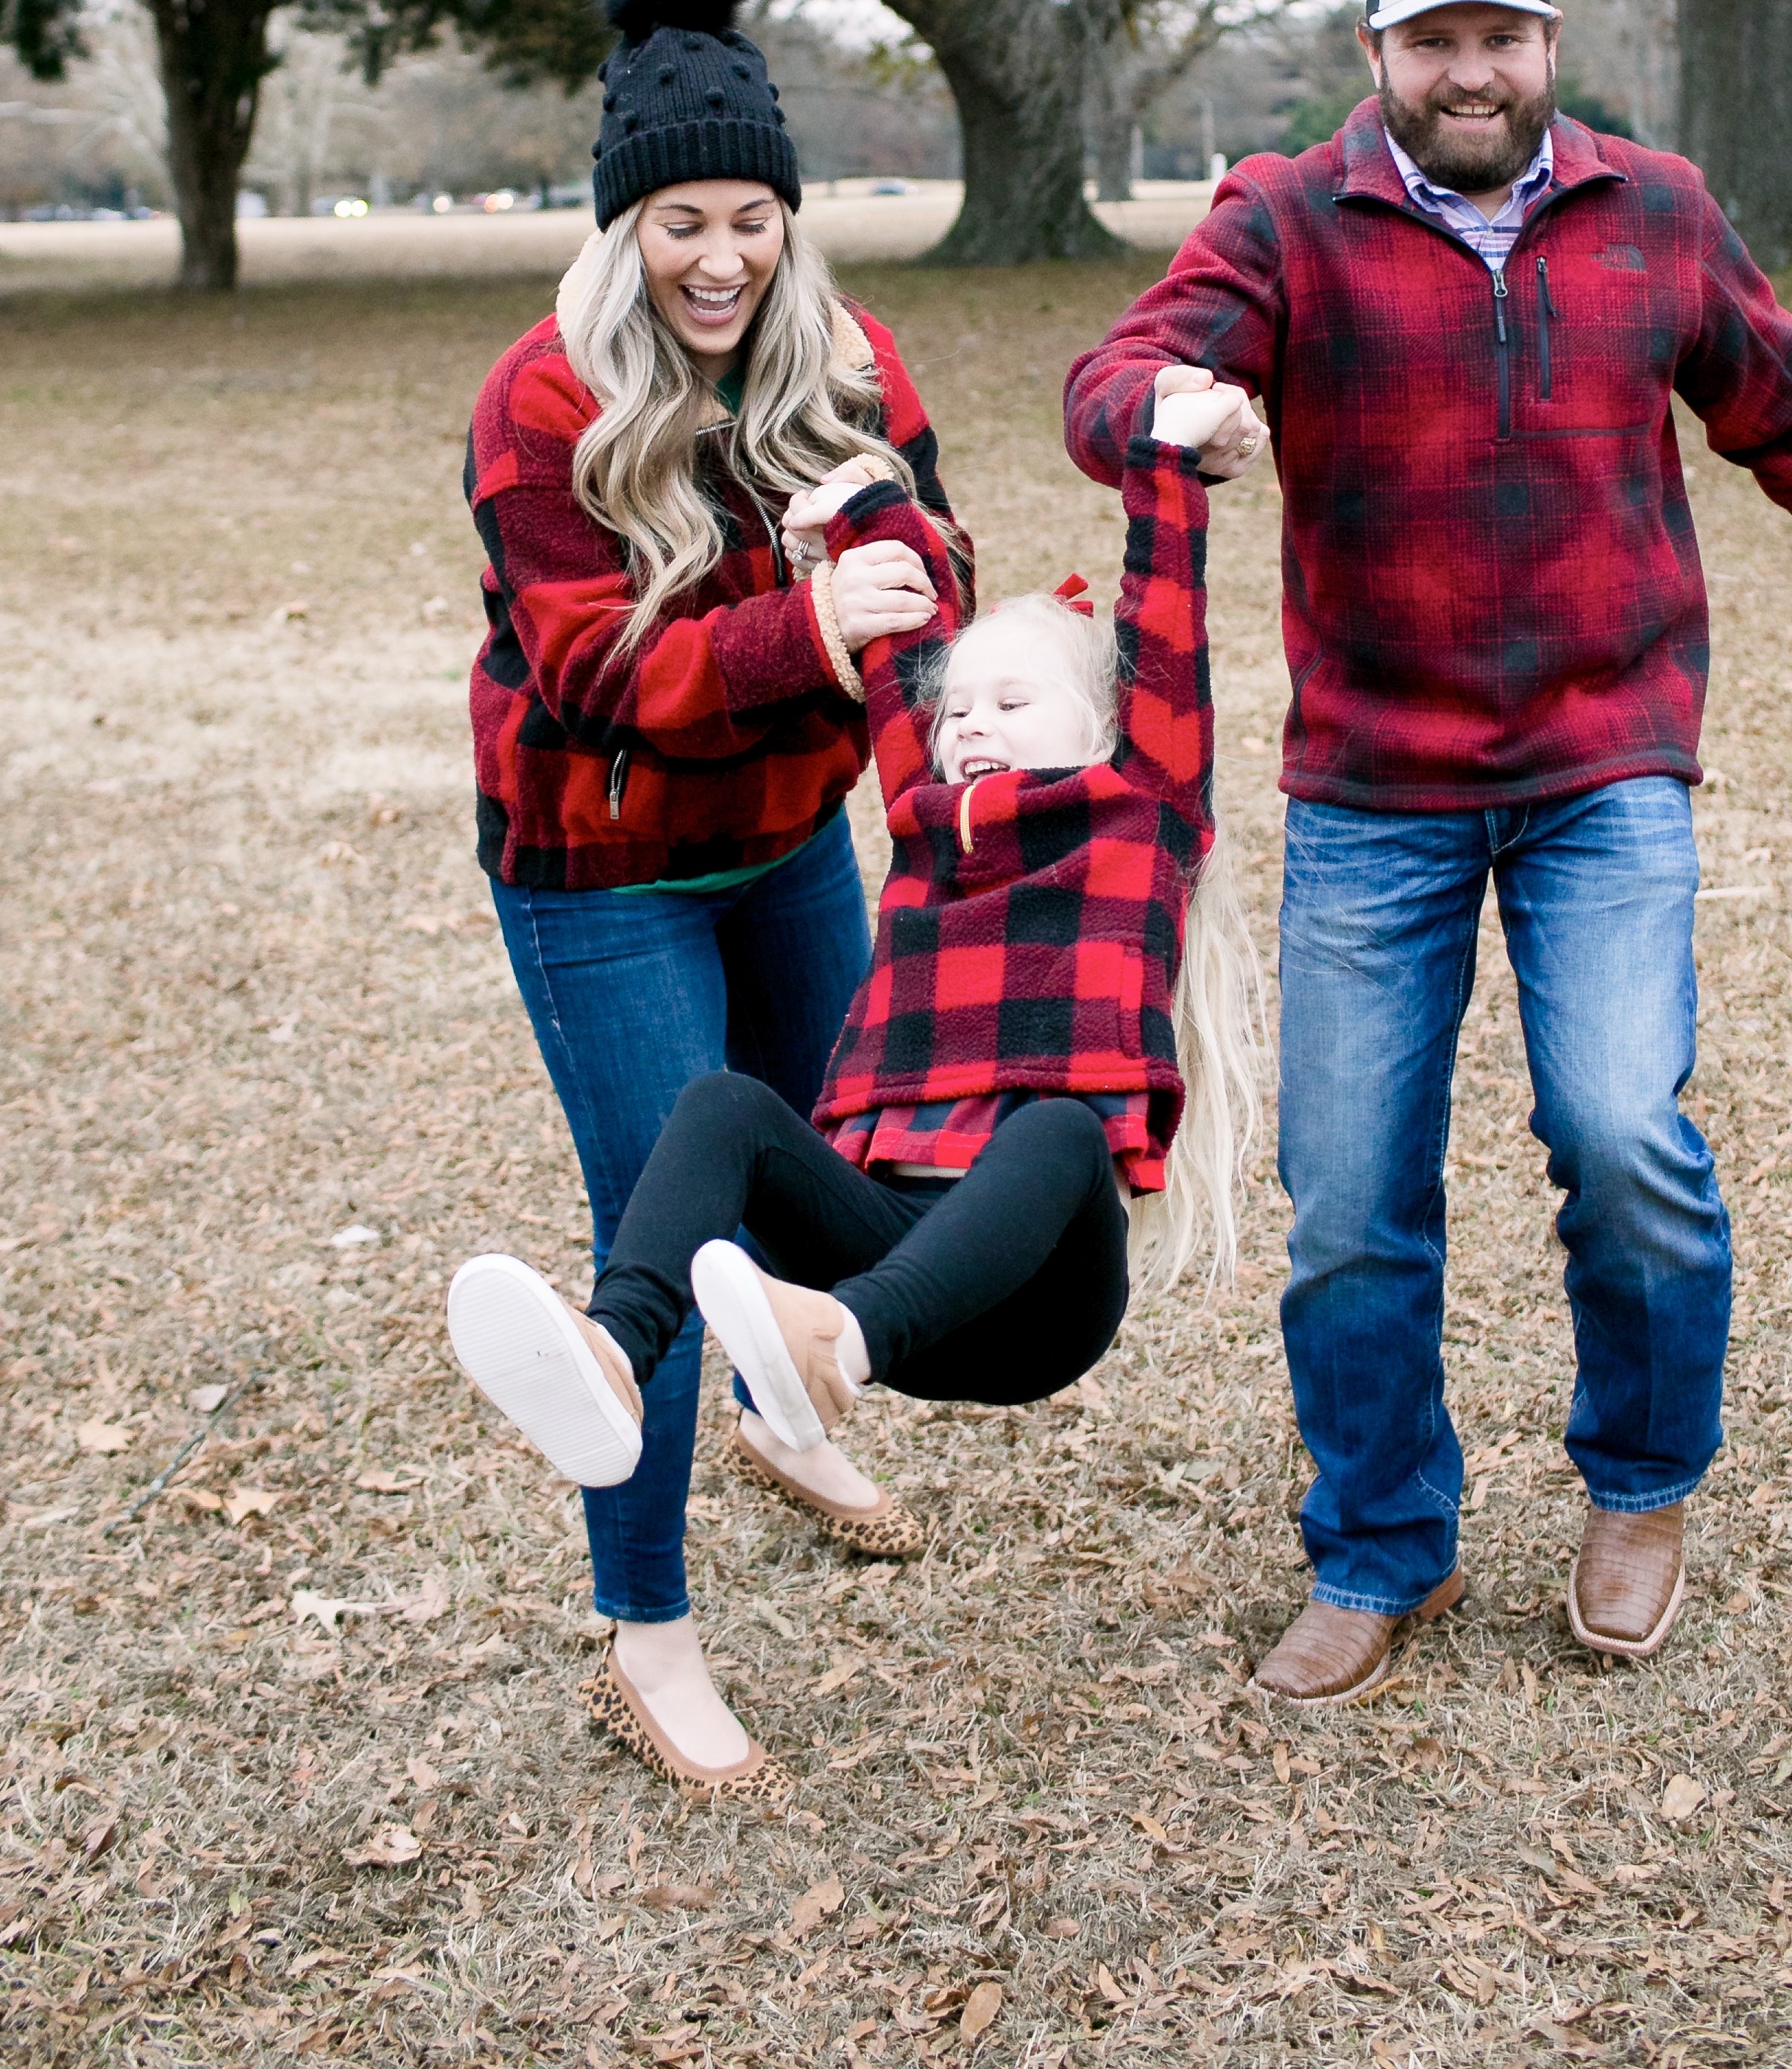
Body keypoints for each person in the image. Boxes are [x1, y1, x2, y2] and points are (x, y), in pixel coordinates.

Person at [1063, 0, 1792, 1700]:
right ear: (1377, 55)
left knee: (1624, 1136)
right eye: (1431, 41)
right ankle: (1378, 1543)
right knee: (1350, 1202)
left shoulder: (1654, 213)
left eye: (1498, 39)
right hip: (1371, 790)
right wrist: (1174, 411)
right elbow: (1109, 383)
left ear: (1547, 45)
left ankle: (1638, 1483)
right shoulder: (1284, 217)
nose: (1466, 71)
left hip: (1599, 768)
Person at [448, 370, 1265, 1789]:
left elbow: (1165, 619)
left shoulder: (1144, 808)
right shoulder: (927, 821)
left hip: (1032, 1303)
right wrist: (869, 520)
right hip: (889, 1265)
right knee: (719, 1108)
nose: (970, 727)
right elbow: (908, 658)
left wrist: (1167, 468)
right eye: (961, 716)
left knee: (1062, 1126)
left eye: (1014, 702)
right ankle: (614, 1352)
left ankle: (827, 1351)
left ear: (1103, 725)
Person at [464, 0, 965, 1791]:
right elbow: (598, 671)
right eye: (679, 218)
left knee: (845, 1174)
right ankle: (647, 1633)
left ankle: (785, 1401)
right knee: (657, 1245)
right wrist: (813, 626)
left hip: (784, 844)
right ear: (622, 232)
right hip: (599, 874)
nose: (720, 257)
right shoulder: (540, 399)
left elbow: (938, 568)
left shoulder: (844, 361)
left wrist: (907, 578)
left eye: (751, 215)